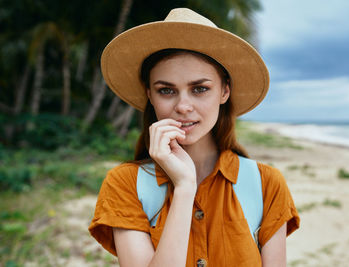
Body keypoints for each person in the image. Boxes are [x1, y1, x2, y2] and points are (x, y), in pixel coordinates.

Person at [89, 8, 300, 267]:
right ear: (150, 96)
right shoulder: (124, 184)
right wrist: (185, 188)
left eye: (200, 89)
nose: (183, 106)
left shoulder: (266, 184)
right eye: (166, 90)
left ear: (224, 91)